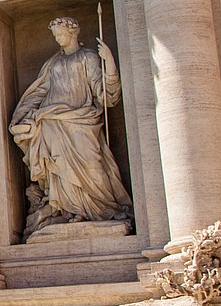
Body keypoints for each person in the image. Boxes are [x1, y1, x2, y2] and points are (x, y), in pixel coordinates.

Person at [9, 17, 131, 237]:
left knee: (94, 167)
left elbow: (105, 96)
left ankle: (104, 209)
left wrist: (110, 63)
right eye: (55, 35)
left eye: (60, 34)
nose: (57, 39)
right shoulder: (53, 63)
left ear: (73, 32)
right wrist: (23, 117)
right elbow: (38, 92)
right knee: (59, 169)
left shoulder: (88, 58)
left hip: (81, 121)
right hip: (52, 122)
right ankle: (68, 210)